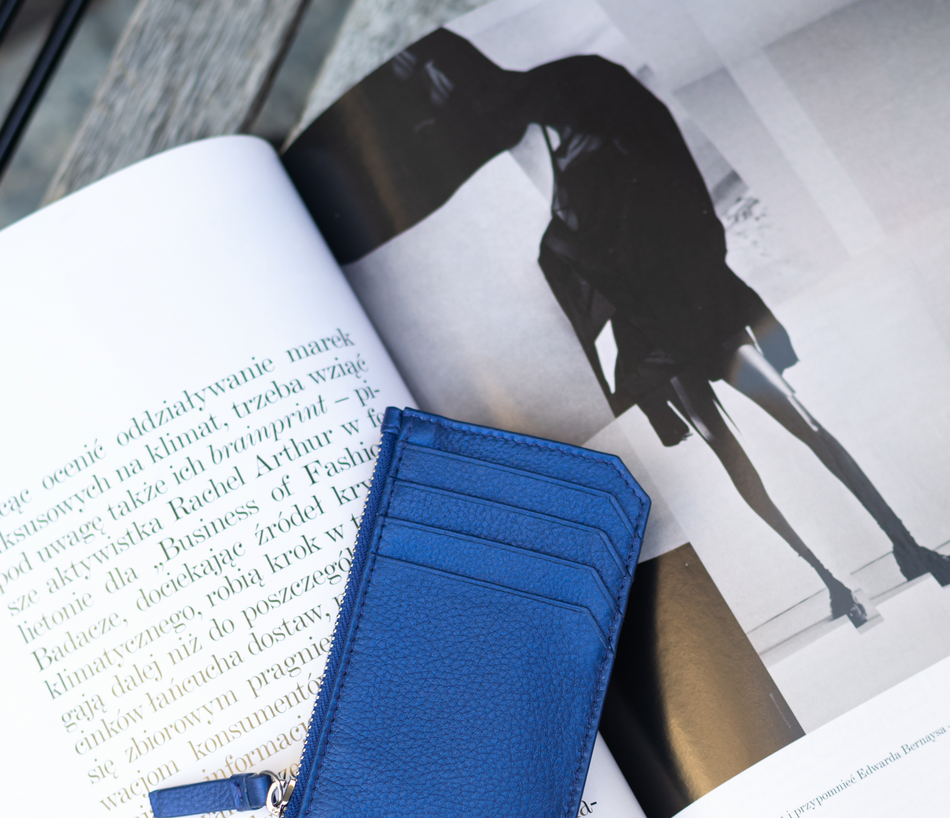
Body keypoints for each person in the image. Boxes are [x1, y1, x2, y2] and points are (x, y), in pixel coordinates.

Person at [288, 28, 950, 625]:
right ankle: (829, 579)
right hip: (657, 347)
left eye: (447, 85)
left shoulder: (588, 101)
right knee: (736, 460)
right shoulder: (543, 188)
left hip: (701, 314)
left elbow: (677, 194)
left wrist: (695, 277)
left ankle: (905, 544)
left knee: (802, 424)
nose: (450, 104)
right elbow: (588, 313)